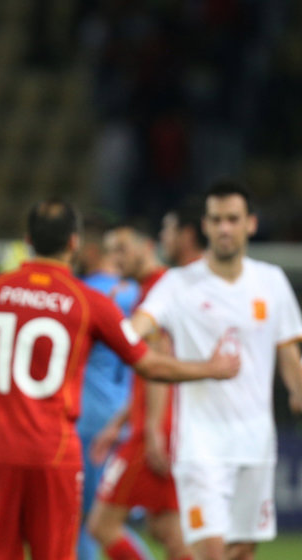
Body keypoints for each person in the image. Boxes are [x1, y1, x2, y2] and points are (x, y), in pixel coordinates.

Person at [0, 199, 238, 560]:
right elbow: (150, 365)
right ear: (73, 242)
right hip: (56, 453)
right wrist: (211, 369)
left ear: (27, 240)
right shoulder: (90, 302)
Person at [130, 180, 302, 560]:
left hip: (256, 444)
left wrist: (297, 391)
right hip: (201, 445)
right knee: (210, 551)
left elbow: (288, 351)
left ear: (250, 224)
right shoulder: (178, 285)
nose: (225, 228)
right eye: (216, 219)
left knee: (241, 550)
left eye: (233, 219)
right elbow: (134, 331)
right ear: (205, 227)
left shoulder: (270, 281)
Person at [87, 223, 191, 560]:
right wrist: (119, 422)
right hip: (154, 424)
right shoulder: (151, 289)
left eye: (121, 248)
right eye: (110, 250)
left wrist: (152, 428)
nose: (115, 258)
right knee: (168, 532)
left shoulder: (159, 290)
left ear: (146, 246)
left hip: (152, 432)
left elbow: (159, 361)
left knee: (101, 526)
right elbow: (148, 371)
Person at [74, 216, 145, 560]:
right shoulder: (139, 294)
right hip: (127, 417)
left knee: (90, 520)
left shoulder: (83, 293)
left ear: (90, 250)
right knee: (108, 518)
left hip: (89, 421)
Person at [159, 196, 205, 267]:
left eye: (167, 229)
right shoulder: (173, 276)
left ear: (187, 235)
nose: (162, 236)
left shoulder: (215, 274)